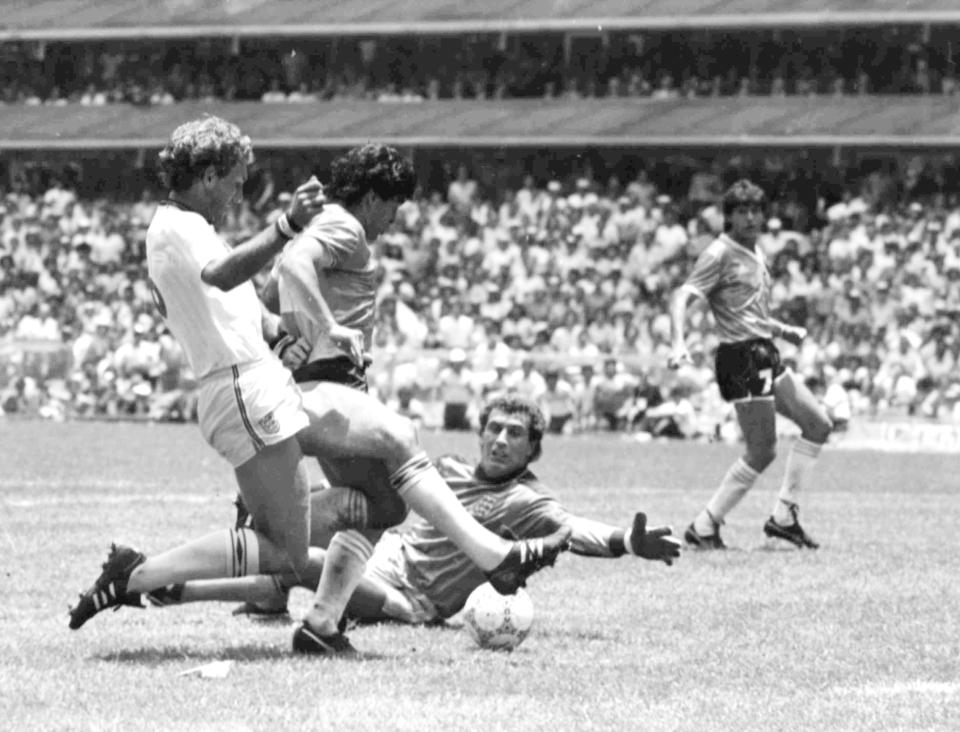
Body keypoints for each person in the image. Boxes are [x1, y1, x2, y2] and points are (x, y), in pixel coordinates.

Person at [69, 119, 571, 657]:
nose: (240, 193)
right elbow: (224, 275)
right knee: (334, 503)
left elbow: (236, 302)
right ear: (209, 175)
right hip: (246, 387)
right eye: (236, 181)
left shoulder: (176, 229)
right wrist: (286, 229)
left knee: (351, 515)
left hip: (243, 386)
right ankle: (139, 574)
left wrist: (281, 333)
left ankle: (311, 619)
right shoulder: (182, 227)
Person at [143, 395, 682, 625]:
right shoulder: (444, 470)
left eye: (514, 435)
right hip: (387, 562)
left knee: (299, 559)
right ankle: (180, 592)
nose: (499, 441)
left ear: (531, 449)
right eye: (493, 428)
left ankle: (180, 582)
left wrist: (627, 542)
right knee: (307, 551)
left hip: (410, 600)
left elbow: (573, 530)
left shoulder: (527, 499)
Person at [668, 179, 832, 550]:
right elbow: (682, 297)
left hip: (763, 350)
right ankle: (705, 525)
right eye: (742, 212)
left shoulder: (755, 252)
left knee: (818, 424)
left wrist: (782, 329)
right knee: (763, 450)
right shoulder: (718, 254)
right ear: (729, 217)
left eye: (756, 210)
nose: (751, 217)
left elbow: (746, 311)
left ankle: (784, 518)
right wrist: (678, 341)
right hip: (741, 357)